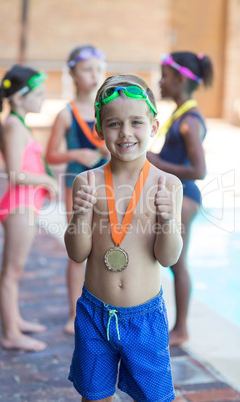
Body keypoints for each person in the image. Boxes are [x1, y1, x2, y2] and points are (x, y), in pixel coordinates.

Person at [65, 74, 183, 402]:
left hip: (144, 318)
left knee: (155, 398)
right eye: (114, 123)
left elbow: (168, 257)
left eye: (136, 122)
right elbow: (77, 254)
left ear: (154, 126)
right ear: (99, 129)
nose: (126, 132)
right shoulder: (87, 182)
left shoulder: (166, 185)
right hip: (94, 314)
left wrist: (169, 219)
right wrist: (79, 215)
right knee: (95, 395)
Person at [147, 51, 214, 346]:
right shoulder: (181, 115)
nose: (160, 82)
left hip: (185, 198)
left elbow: (198, 170)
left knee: (178, 264)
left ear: (179, 79)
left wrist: (157, 161)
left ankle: (181, 329)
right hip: (177, 195)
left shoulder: (190, 122)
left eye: (164, 76)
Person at [46, 45, 110, 334]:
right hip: (75, 184)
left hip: (106, 185)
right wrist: (76, 155)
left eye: (99, 68)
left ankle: (106, 306)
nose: (94, 75)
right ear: (72, 73)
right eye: (87, 69)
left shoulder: (107, 109)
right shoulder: (66, 114)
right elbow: (50, 155)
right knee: (78, 250)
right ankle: (74, 313)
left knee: (106, 245)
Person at [0, 65, 59, 352]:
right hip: (19, 207)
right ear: (20, 97)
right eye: (39, 94)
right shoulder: (13, 126)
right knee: (11, 272)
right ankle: (10, 333)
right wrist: (46, 178)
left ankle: (15, 320)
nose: (43, 99)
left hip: (26, 207)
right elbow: (14, 173)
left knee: (16, 271)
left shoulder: (19, 124)